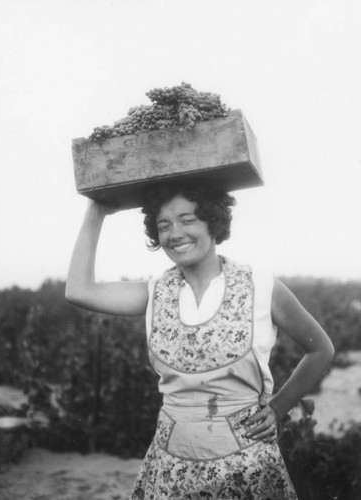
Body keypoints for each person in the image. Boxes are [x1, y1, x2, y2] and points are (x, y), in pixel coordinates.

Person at [65, 181, 334, 499]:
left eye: (187, 219)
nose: (174, 233)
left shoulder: (261, 286)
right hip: (172, 466)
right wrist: (96, 211)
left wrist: (278, 408)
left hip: (246, 466)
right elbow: (79, 291)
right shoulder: (155, 291)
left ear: (212, 221)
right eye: (164, 225)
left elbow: (320, 349)